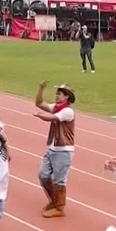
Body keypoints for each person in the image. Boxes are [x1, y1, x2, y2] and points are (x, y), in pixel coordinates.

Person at [33, 81, 75, 218]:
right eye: (57, 93)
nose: (57, 95)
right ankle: (54, 201)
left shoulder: (68, 111)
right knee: (43, 174)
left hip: (63, 150)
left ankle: (59, 207)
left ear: (67, 97)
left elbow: (52, 118)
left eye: (60, 94)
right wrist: (41, 88)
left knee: (59, 180)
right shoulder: (56, 107)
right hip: (52, 148)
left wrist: (40, 115)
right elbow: (39, 103)